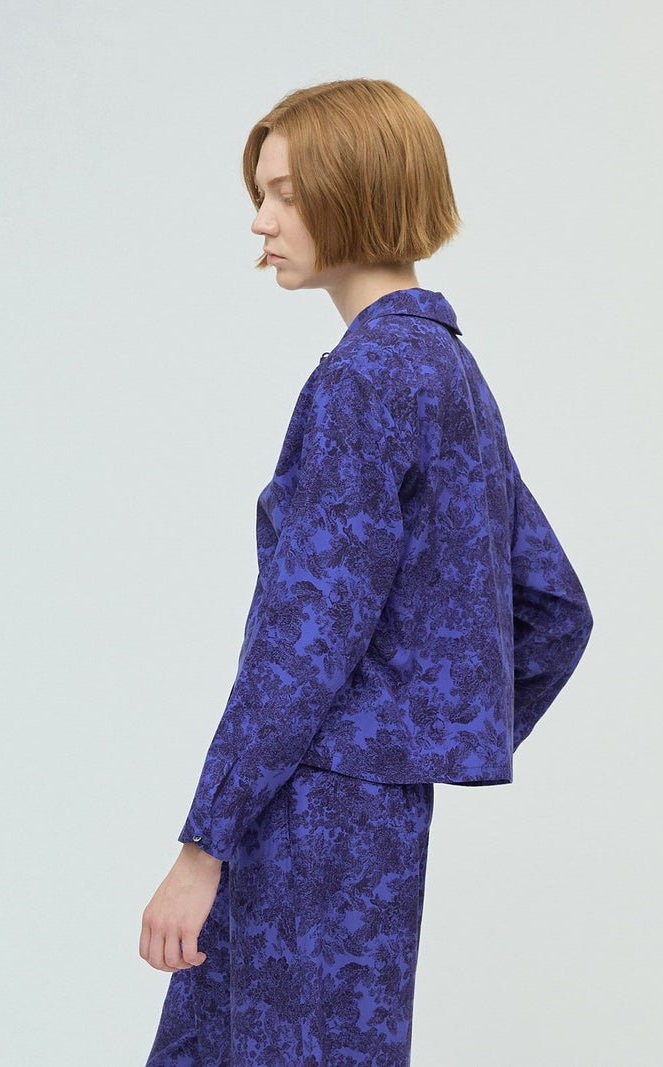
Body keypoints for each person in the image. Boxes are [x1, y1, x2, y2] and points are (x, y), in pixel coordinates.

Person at [139, 78, 593, 1066]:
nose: (259, 221)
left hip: (295, 822)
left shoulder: (364, 378)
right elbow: (552, 609)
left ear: (358, 192)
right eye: (260, 194)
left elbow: (299, 644)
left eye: (285, 194)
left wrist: (201, 849)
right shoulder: (448, 371)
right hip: (374, 826)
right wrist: (405, 739)